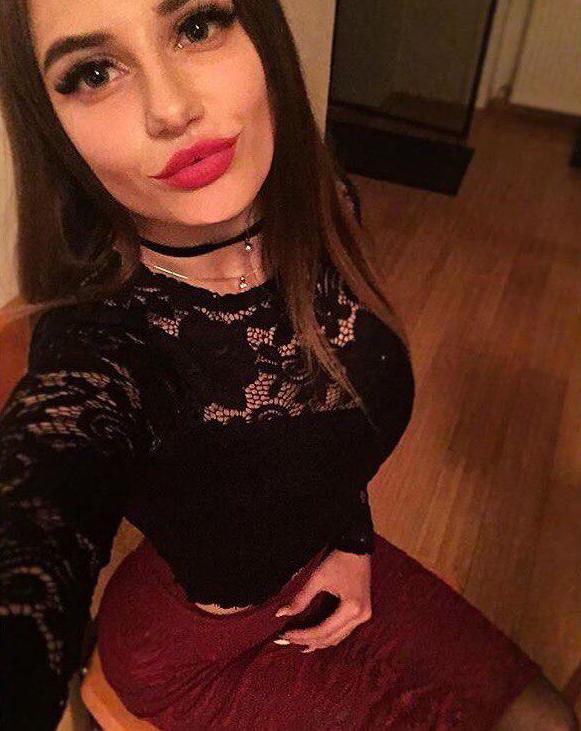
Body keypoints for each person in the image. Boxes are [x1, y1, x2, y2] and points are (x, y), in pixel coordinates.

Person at [0, 0, 578, 729]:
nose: (171, 109)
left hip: (328, 555)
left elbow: (334, 414)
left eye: (197, 26)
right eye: (92, 73)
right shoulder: (99, 340)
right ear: (51, 125)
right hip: (192, 651)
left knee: (544, 716)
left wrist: (351, 536)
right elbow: (44, 494)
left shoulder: (323, 207)